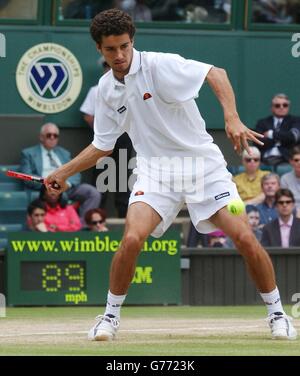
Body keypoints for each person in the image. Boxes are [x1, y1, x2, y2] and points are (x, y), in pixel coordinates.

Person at [46, 9, 297, 341]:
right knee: (132, 238)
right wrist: (63, 172)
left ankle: (277, 313)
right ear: (99, 49)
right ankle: (109, 317)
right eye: (111, 49)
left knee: (245, 238)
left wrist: (232, 118)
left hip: (204, 168)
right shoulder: (106, 91)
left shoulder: (159, 65)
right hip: (154, 173)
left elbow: (216, 73)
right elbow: (102, 146)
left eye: (124, 46)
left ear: (132, 41)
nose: (119, 55)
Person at [80, 58, 133, 218]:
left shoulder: (129, 89)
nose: (109, 69)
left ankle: (124, 214)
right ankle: (97, 217)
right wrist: (104, 129)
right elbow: (88, 116)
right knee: (101, 176)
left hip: (124, 138)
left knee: (123, 175)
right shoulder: (96, 90)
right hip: (103, 140)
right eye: (106, 66)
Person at [20, 123, 101, 224]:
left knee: (92, 192)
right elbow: (26, 176)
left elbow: (76, 172)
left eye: (55, 136)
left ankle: (81, 226)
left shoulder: (64, 153)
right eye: (49, 135)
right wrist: (47, 183)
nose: (52, 138)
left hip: (66, 186)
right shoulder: (29, 153)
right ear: (41, 137)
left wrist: (67, 184)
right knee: (57, 195)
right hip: (45, 189)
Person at [255, 93, 300, 166]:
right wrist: (283, 138)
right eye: (277, 105)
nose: (281, 107)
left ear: (288, 107)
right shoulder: (262, 123)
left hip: (287, 159)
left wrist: (271, 134)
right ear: (272, 108)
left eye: (285, 105)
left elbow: (293, 137)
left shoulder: (296, 121)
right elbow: (258, 141)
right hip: (264, 160)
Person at [280, 145, 300, 216]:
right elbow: (284, 201)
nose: (299, 163)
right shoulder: (285, 179)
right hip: (291, 213)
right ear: (291, 162)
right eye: (296, 160)